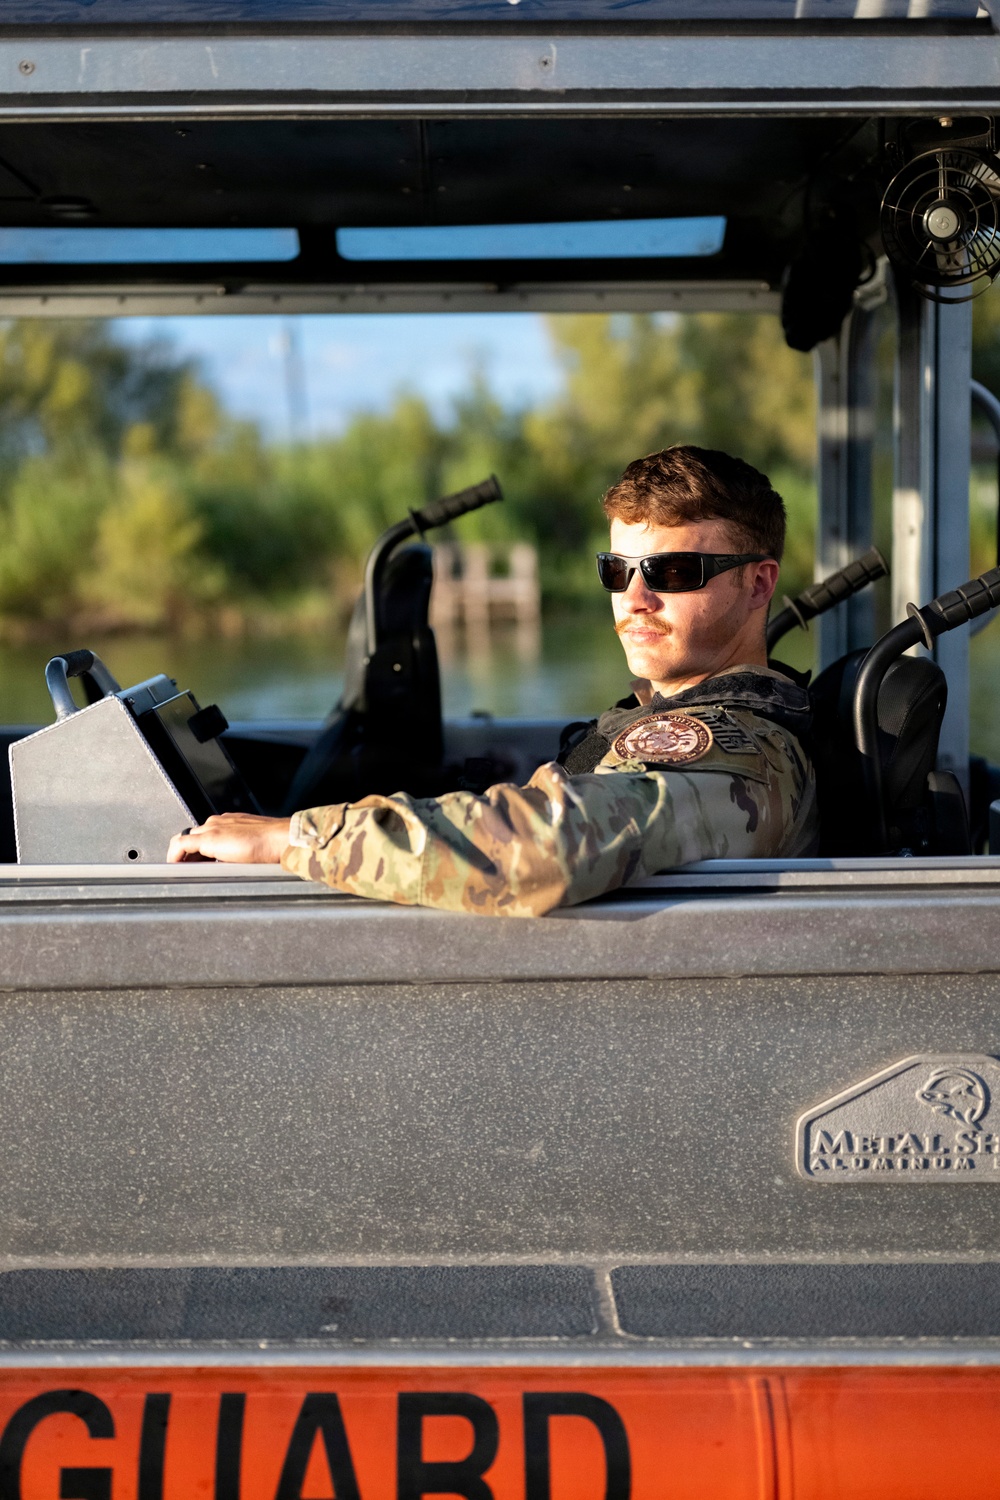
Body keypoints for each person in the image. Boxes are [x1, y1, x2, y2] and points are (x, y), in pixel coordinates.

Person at [167, 445, 818, 915]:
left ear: (758, 583)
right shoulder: (678, 714)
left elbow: (547, 847)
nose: (636, 598)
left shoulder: (737, 746)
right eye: (617, 572)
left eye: (674, 574)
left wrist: (290, 838)